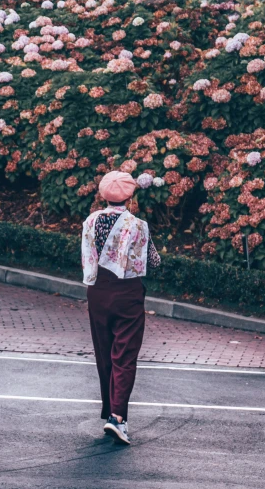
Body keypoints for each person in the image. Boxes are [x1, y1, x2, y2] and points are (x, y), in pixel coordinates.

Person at [81, 171, 161, 445]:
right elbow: (153, 261)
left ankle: (109, 412)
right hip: (127, 291)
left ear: (104, 194)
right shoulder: (138, 225)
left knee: (104, 353)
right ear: (129, 197)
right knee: (124, 355)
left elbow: (88, 256)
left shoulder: (90, 221)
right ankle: (118, 417)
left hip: (98, 291)